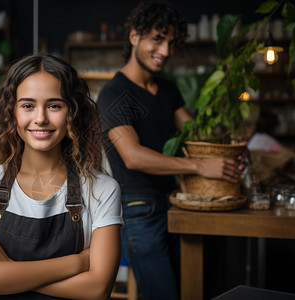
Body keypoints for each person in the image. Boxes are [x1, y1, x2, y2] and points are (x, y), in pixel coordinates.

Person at [97, 1, 244, 299]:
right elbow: (133, 156)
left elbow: (195, 134)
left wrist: (228, 147)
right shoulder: (113, 94)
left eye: (171, 43)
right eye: (157, 39)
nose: (165, 51)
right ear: (135, 36)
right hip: (139, 210)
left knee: (195, 288)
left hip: (177, 203)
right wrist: (201, 167)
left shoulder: (167, 89)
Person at [0, 54, 123, 299]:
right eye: (27, 105)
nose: (40, 118)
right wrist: (78, 263)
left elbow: (98, 289)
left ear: (72, 112)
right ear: (11, 112)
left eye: (54, 105)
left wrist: (7, 269)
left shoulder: (102, 189)